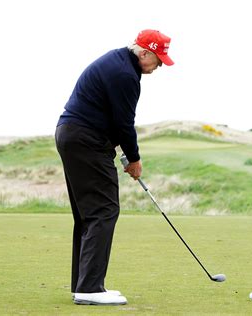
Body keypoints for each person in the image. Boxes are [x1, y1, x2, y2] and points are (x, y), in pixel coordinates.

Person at [55, 29, 174, 306]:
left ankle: (82, 285)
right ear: (144, 53)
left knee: (88, 215)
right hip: (85, 140)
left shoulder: (117, 62)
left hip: (73, 135)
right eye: (157, 60)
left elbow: (110, 119)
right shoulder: (126, 75)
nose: (159, 67)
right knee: (104, 210)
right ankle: (90, 288)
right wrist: (134, 159)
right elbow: (124, 123)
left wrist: (118, 149)